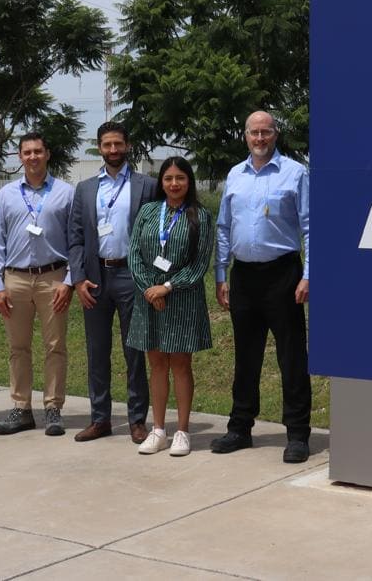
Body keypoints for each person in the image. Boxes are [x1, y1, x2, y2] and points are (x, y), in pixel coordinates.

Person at [212, 110, 312, 463]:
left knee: (291, 356)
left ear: (275, 135)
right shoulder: (235, 175)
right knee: (246, 356)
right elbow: (224, 227)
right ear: (245, 136)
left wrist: (309, 275)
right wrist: (221, 274)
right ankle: (240, 428)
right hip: (243, 276)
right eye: (254, 132)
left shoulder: (295, 173)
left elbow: (310, 226)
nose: (259, 138)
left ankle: (297, 434)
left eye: (265, 132)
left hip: (283, 274)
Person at [68, 121, 157, 444]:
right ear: (99, 147)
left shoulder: (147, 185)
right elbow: (75, 237)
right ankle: (100, 419)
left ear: (127, 145)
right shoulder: (85, 189)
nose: (113, 149)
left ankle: (137, 420)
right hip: (95, 279)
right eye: (107, 144)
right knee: (97, 351)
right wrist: (78, 279)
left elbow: (157, 232)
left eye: (118, 143)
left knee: (134, 351)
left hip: (132, 277)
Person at [0, 132, 75, 436]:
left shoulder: (66, 192)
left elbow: (76, 240)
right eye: (27, 152)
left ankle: (53, 408)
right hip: (15, 280)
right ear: (20, 157)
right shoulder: (6, 194)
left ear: (47, 154)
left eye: (38, 151)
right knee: (18, 347)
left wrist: (69, 281)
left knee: (55, 346)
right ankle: (21, 408)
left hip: (54, 278)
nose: (33, 157)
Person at [126, 156, 214, 457]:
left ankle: (183, 431)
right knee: (157, 364)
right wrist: (150, 289)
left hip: (182, 298)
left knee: (180, 364)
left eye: (180, 178)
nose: (174, 184)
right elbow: (134, 254)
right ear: (161, 182)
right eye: (168, 178)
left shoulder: (200, 215)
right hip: (149, 298)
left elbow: (199, 263)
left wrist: (167, 287)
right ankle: (159, 430)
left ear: (189, 181)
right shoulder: (148, 212)